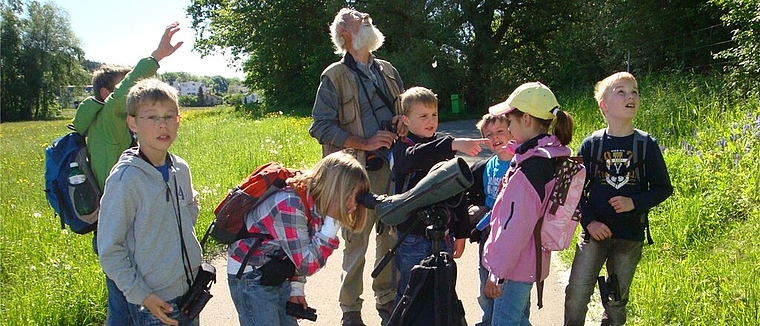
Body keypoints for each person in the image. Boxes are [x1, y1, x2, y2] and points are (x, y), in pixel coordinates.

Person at [71, 22, 183, 326]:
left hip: (129, 224)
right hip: (125, 231)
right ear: (109, 94)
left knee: (122, 310)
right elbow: (127, 91)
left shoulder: (111, 128)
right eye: (126, 88)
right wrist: (157, 56)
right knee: (127, 304)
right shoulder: (109, 118)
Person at [309, 8, 405, 326]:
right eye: (356, 17)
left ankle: (387, 298)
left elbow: (405, 108)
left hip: (392, 170)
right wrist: (363, 142)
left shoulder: (388, 71)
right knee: (356, 242)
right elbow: (320, 127)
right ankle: (350, 308)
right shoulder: (333, 76)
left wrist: (402, 121)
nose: (366, 16)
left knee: (390, 235)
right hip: (356, 174)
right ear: (346, 34)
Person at [563, 72, 673, 326]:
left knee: (616, 300)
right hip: (593, 234)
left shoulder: (646, 144)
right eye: (621, 92)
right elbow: (574, 190)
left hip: (629, 236)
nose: (630, 96)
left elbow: (662, 188)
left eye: (634, 92)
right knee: (577, 293)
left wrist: (633, 203)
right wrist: (589, 222)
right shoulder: (592, 144)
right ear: (604, 105)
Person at [97, 78, 200, 326]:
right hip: (154, 301)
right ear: (132, 123)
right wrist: (142, 295)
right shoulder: (125, 180)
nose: (162, 125)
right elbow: (110, 250)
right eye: (152, 117)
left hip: (190, 289)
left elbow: (190, 210)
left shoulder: (180, 168)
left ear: (178, 120)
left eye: (169, 116)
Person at [227, 151, 371, 326]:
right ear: (335, 189)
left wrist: (296, 289)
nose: (354, 206)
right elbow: (306, 263)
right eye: (351, 198)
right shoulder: (290, 205)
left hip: (275, 269)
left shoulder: (317, 200)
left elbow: (300, 250)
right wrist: (331, 224)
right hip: (250, 277)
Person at [481, 82, 575, 325]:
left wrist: (497, 273)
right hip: (530, 260)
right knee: (520, 320)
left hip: (514, 266)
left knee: (504, 322)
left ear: (526, 120)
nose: (508, 126)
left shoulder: (530, 167)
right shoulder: (551, 155)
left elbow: (516, 226)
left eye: (510, 120)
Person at [389, 86, 484, 304]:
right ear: (406, 119)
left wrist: (461, 233)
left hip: (444, 236)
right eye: (423, 116)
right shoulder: (403, 148)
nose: (430, 120)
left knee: (441, 293)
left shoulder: (442, 145)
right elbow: (412, 159)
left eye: (434, 115)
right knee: (409, 294)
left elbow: (457, 192)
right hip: (412, 236)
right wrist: (452, 144)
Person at [467, 113, 514, 326]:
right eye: (489, 135)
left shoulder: (519, 162)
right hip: (488, 233)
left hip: (510, 234)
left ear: (512, 131)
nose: (495, 138)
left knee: (510, 284)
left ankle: (510, 318)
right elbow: (487, 197)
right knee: (485, 277)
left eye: (500, 132)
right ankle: (488, 320)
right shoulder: (489, 166)